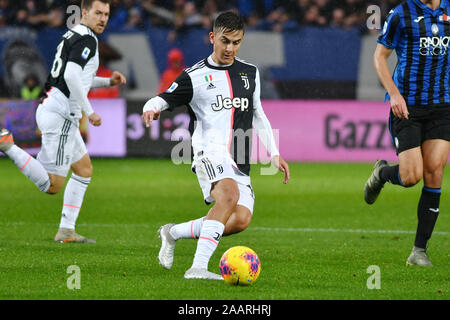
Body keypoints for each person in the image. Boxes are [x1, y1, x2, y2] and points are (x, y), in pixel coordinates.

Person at [142, 11, 290, 280]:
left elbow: (258, 114)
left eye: (236, 42)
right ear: (212, 38)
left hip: (240, 157)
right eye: (225, 41)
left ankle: (172, 232)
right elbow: (163, 98)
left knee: (240, 219)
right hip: (208, 150)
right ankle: (197, 268)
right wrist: (151, 108)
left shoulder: (250, 73)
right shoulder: (194, 76)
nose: (230, 48)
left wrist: (275, 153)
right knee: (229, 197)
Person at [0, 0, 126, 243]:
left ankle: (66, 230)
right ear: (85, 13)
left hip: (52, 107)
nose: (103, 19)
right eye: (98, 13)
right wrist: (89, 112)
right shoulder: (87, 39)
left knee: (84, 169)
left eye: (106, 14)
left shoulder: (73, 34)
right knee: (52, 185)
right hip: (62, 116)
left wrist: (107, 82)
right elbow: (70, 76)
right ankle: (8, 146)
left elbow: (76, 76)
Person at [365, 0, 450, 266]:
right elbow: (380, 56)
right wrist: (393, 94)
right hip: (407, 107)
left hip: (442, 106)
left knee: (434, 171)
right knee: (411, 176)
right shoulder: (401, 14)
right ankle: (382, 173)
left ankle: (419, 251)